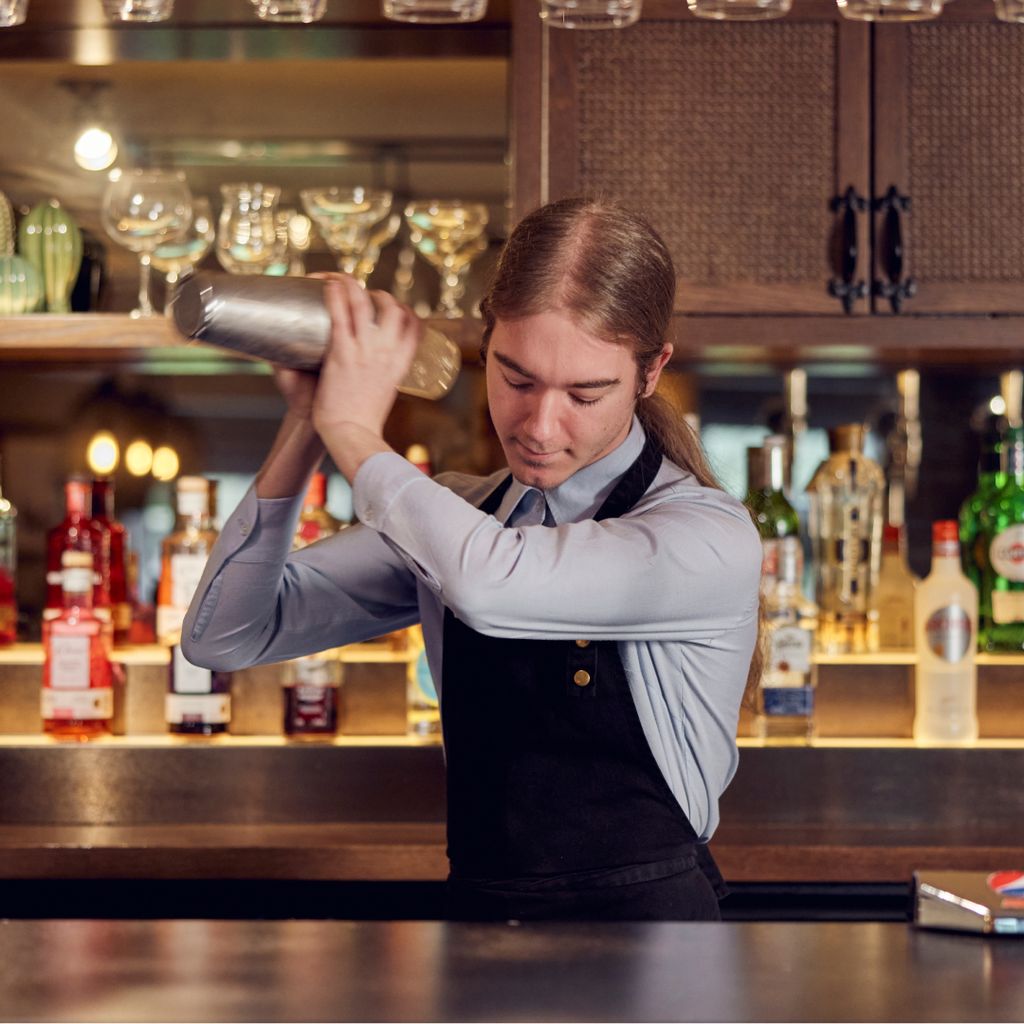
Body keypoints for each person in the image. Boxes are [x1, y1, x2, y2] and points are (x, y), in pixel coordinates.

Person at [182, 196, 762, 922]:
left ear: (651, 373)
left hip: (652, 944)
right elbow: (225, 635)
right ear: (485, 344)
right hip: (483, 923)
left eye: (586, 393)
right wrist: (307, 420)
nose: (540, 426)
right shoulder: (462, 521)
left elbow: (491, 582)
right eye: (515, 378)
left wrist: (356, 430)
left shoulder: (704, 534)